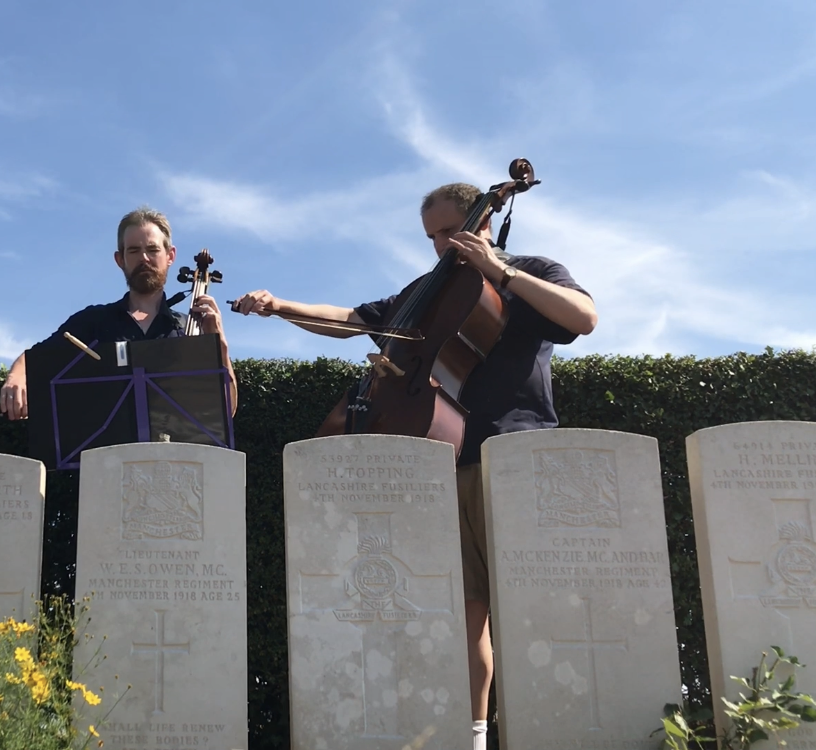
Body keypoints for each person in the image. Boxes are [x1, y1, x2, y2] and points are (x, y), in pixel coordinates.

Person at [233, 182, 597, 750]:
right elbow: (352, 319)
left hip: (516, 456)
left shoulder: (531, 269)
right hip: (446, 461)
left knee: (535, 605)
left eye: (451, 231)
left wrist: (500, 272)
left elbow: (583, 317)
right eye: (431, 236)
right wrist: (280, 306)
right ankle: (475, 737)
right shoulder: (426, 292)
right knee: (467, 609)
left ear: (481, 218)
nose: (441, 245)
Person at [0, 205, 237, 420]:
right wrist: (17, 376)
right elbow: (38, 356)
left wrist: (218, 341)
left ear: (170, 256)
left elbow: (228, 409)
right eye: (133, 251)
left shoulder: (190, 329)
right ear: (119, 259)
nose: (144, 258)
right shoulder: (93, 321)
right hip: (107, 461)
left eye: (152, 249)